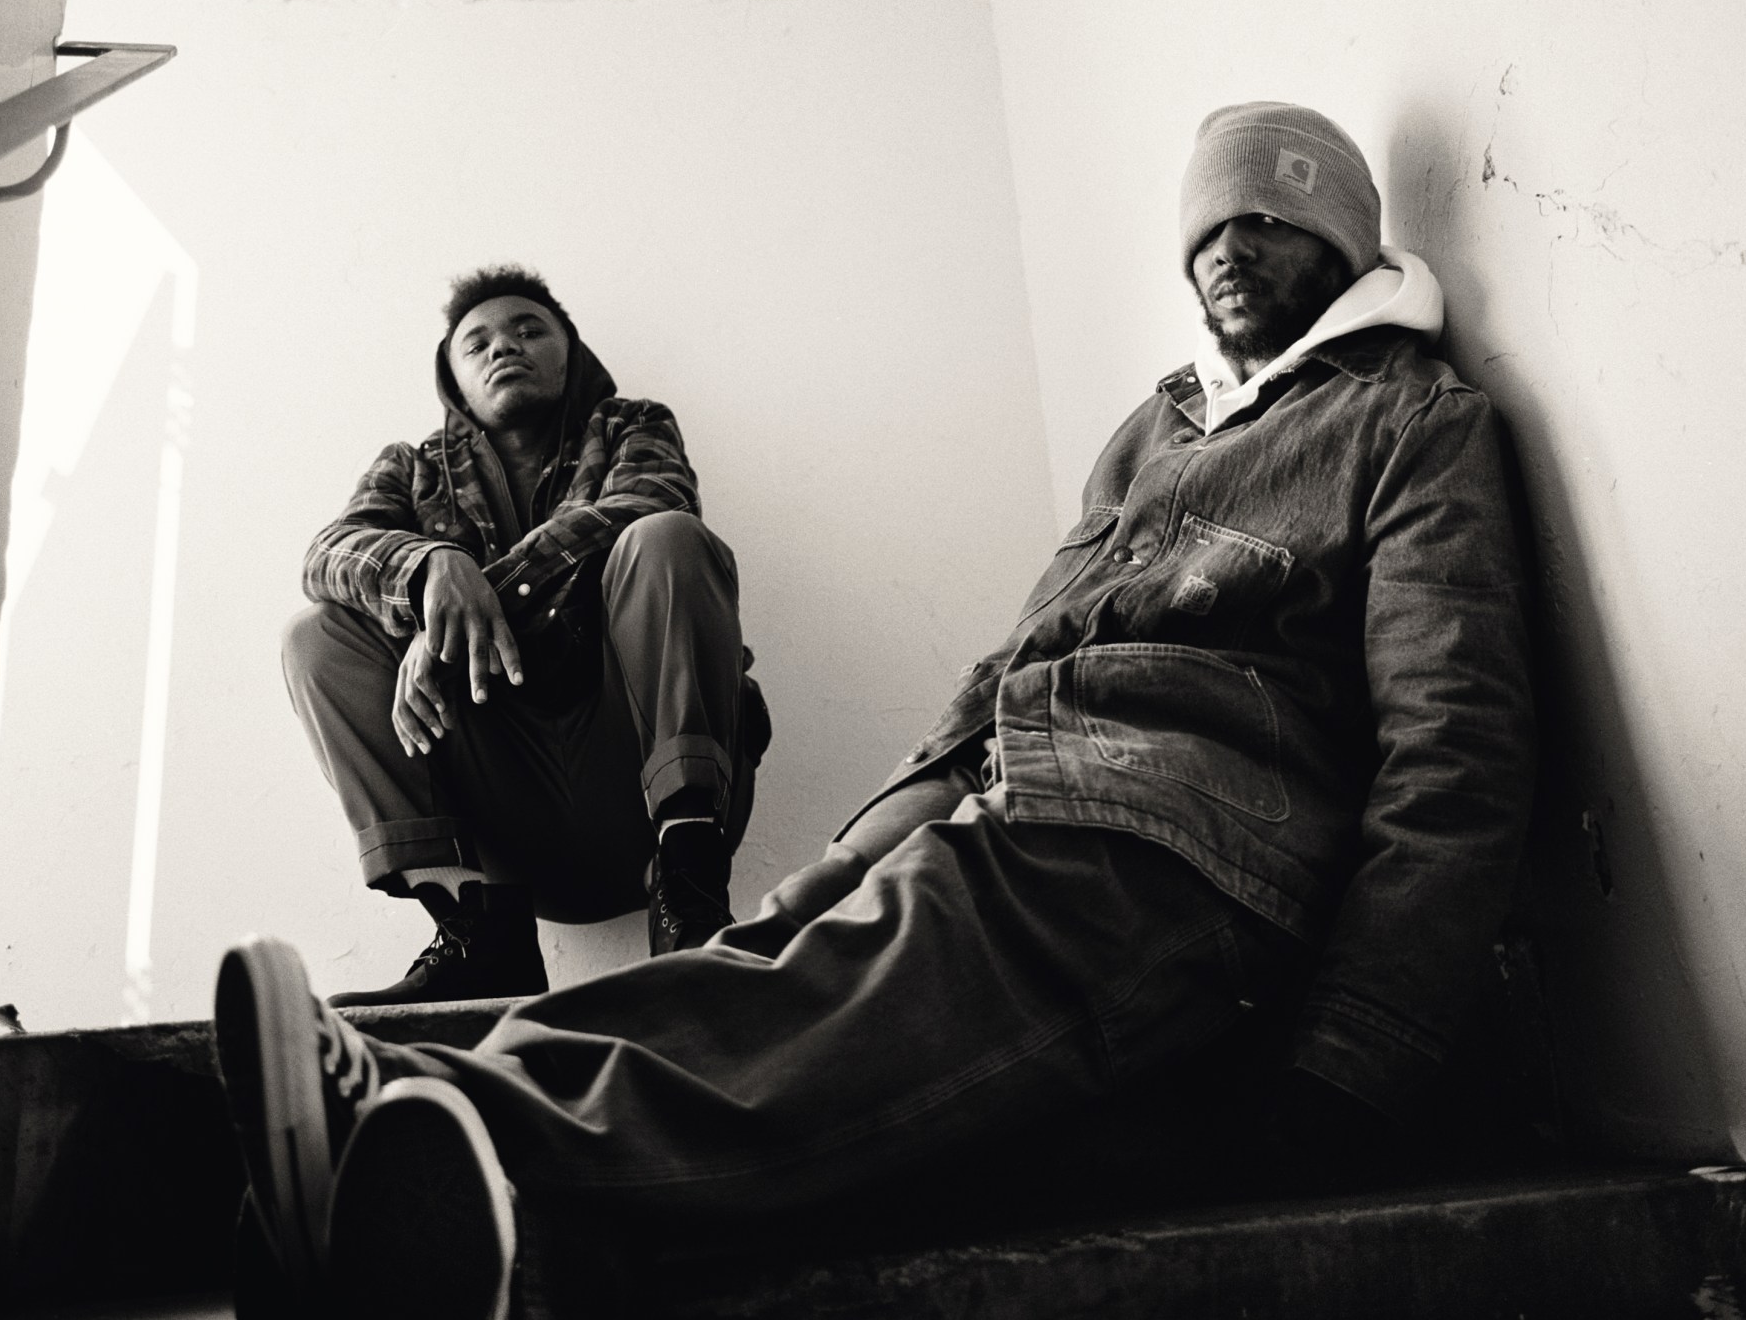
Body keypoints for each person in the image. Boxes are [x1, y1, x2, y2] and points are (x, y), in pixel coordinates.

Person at [221, 105, 1534, 1320]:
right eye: (1208, 228)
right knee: (762, 958)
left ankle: (432, 1131)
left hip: (1183, 847)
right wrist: (859, 838)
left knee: (867, 978)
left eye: (1271, 219)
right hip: (1022, 798)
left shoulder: (1407, 420)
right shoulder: (1157, 426)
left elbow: (1454, 745)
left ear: (1348, 245)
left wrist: (1362, 1046)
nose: (1230, 249)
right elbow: (1018, 656)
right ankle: (424, 1140)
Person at [281, 264, 769, 1006]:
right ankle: (477, 932)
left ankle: (692, 892)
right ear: (452, 378)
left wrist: (461, 614)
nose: (502, 345)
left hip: (641, 781)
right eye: (475, 341)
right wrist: (429, 566)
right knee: (315, 638)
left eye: (527, 328)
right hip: (501, 825)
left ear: (569, 350)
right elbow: (327, 555)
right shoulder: (411, 468)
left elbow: (652, 497)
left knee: (665, 537)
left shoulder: (630, 424)